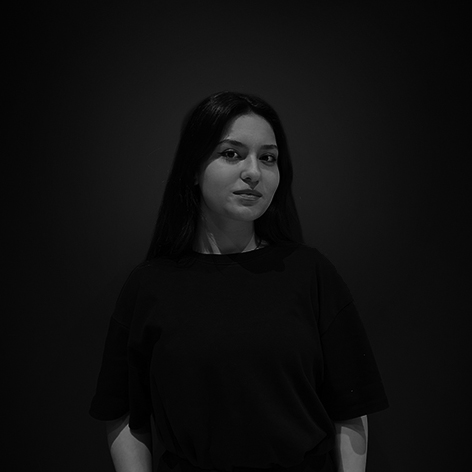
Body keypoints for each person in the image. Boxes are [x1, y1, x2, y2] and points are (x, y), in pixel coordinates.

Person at [89, 91, 389, 472]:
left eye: (268, 158)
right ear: (193, 169)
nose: (253, 172)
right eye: (231, 153)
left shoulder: (311, 273)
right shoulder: (149, 287)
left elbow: (351, 407)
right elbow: (123, 411)